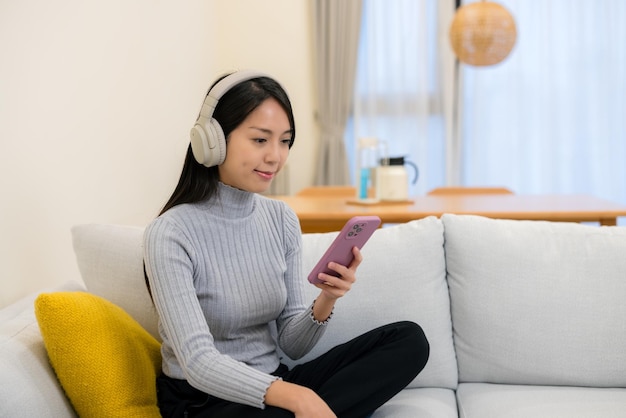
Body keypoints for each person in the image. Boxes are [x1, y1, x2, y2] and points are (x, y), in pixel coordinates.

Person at [143, 70, 430, 418]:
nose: (276, 157)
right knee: (292, 410)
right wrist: (298, 398)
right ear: (212, 140)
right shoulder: (170, 232)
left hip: (275, 384)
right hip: (204, 400)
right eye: (261, 140)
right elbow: (198, 362)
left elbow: (293, 346)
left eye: (285, 141)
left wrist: (326, 297)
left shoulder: (281, 219)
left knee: (408, 341)